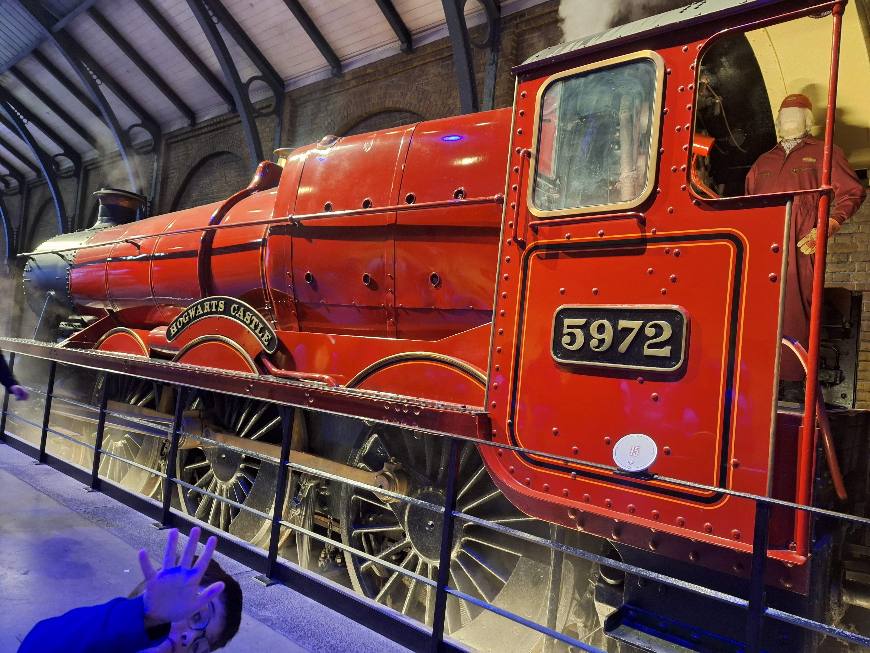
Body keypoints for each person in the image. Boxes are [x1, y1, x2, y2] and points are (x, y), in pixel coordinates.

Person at [746, 93, 866, 384]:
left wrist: (827, 227)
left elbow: (852, 191)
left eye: (795, 114)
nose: (788, 119)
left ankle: (791, 382)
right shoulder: (763, 161)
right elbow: (747, 204)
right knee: (757, 305)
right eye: (784, 115)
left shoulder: (825, 152)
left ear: (807, 121)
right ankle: (754, 374)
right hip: (762, 241)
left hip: (801, 240)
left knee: (795, 307)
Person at [18, 527, 242, 652]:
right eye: (196, 615)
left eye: (198, 647)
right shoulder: (99, 636)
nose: (189, 637)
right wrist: (143, 615)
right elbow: (38, 646)